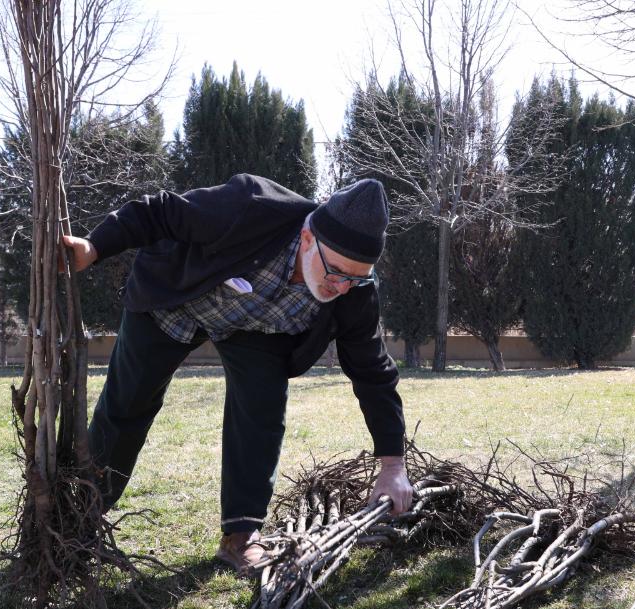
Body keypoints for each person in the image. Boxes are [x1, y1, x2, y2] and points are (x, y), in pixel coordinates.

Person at [61, 173, 412, 575]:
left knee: (261, 413)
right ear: (309, 238)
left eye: (355, 278)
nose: (342, 287)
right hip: (173, 298)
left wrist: (392, 465)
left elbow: (373, 371)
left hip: (256, 330)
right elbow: (159, 211)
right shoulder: (252, 206)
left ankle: (240, 534)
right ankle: (79, 519)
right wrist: (95, 246)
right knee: (127, 405)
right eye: (336, 273)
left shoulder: (354, 292)